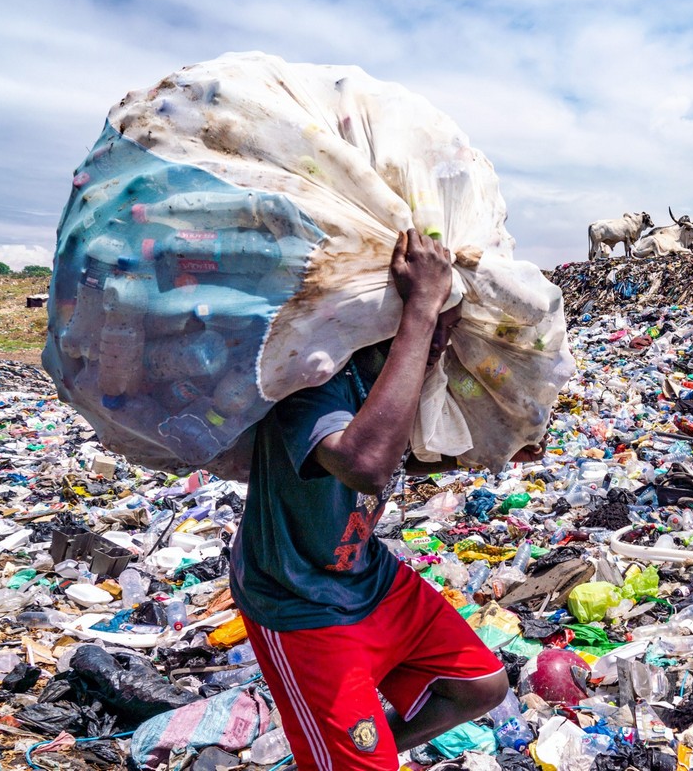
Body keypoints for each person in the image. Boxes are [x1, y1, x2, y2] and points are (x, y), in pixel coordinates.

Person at [230, 229, 541, 770]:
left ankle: (352, 758)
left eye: (449, 321)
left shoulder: (390, 373)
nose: (444, 334)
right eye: (438, 319)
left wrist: (491, 453)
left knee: (480, 686)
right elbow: (365, 465)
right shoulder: (312, 380)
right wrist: (421, 310)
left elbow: (398, 454)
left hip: (366, 576)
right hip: (298, 599)